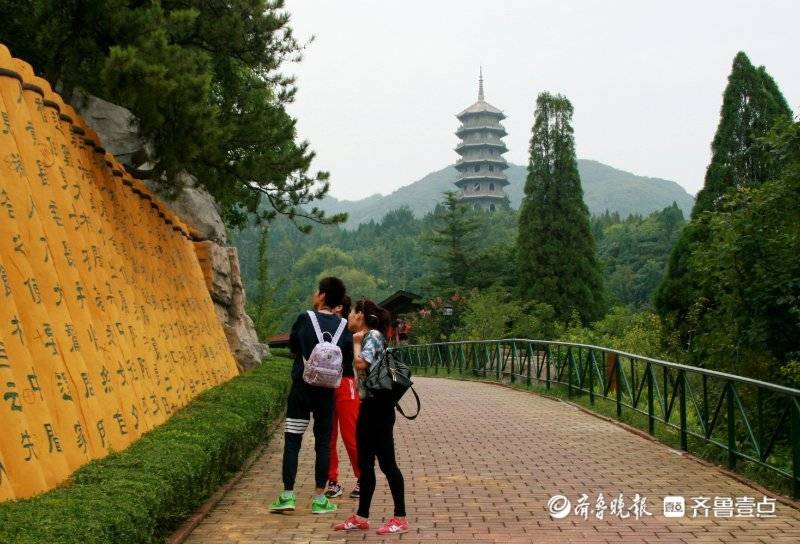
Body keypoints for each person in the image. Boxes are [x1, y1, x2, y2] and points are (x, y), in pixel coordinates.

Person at [270, 277, 352, 515]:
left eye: (317, 290)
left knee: (293, 440)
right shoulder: (343, 325)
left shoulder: (305, 318)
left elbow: (294, 347)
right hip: (326, 393)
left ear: (323, 295)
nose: (315, 293)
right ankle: (319, 499)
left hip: (301, 389)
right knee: (323, 443)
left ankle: (287, 496)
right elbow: (346, 359)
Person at [334, 300, 409, 535]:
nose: (348, 317)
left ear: (361, 315)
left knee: (387, 464)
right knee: (365, 464)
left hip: (380, 407)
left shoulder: (373, 336)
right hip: (368, 406)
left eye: (351, 313)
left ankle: (400, 518)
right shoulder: (368, 336)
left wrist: (356, 344)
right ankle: (361, 516)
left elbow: (361, 363)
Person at [325, 295, 362, 499]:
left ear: (339, 307)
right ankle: (332, 481)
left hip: (346, 384)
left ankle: (363, 477)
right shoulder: (320, 327)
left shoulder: (350, 330)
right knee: (328, 437)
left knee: (351, 436)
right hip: (325, 386)